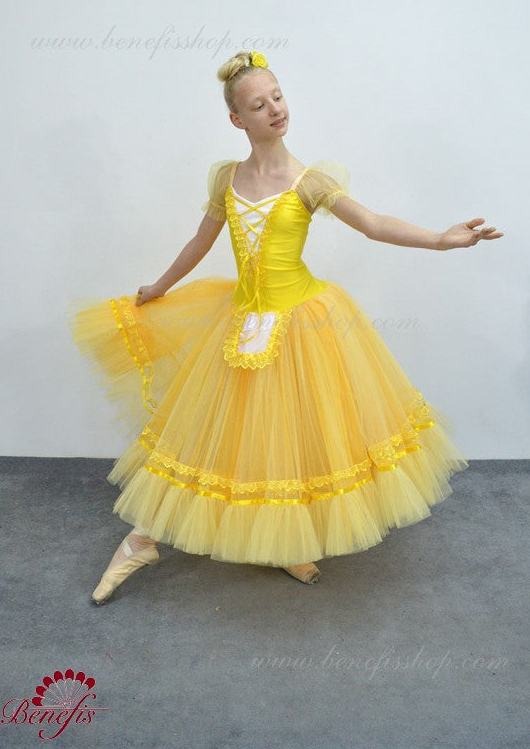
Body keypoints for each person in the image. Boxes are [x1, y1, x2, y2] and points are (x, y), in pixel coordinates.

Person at [68, 50, 503, 605]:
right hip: (242, 321)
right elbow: (200, 242)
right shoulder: (227, 178)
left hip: (302, 324)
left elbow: (372, 223)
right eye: (258, 105)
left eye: (277, 96)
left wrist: (441, 240)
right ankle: (141, 540)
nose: (275, 109)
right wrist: (160, 286)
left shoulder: (309, 181)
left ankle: (285, 540)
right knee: (209, 433)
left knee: (294, 436)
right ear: (237, 120)